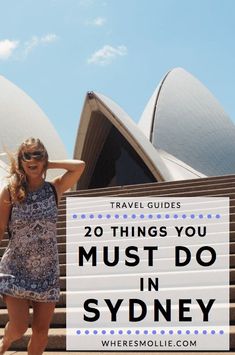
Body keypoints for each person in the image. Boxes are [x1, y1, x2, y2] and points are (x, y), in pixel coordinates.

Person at [0, 137, 85, 354]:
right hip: (16, 268)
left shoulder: (54, 189)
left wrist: (49, 163)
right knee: (19, 328)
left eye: (38, 155)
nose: (32, 160)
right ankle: (5, 341)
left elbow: (80, 166)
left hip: (47, 271)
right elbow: (0, 227)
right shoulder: (9, 191)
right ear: (20, 161)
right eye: (26, 156)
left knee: (41, 332)